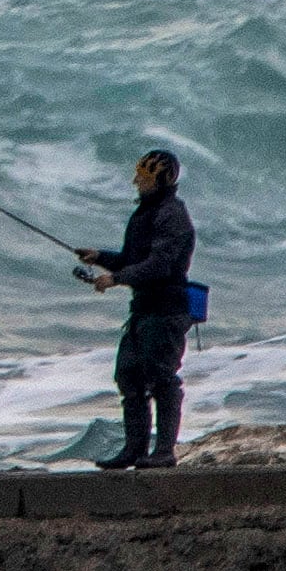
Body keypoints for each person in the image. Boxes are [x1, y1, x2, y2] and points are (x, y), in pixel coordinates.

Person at [77, 149, 197, 469]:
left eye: (142, 178)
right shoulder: (145, 212)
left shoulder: (172, 215)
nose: (135, 182)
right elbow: (134, 259)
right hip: (143, 310)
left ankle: (164, 452)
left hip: (167, 312)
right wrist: (99, 256)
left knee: (162, 379)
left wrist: (115, 278)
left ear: (162, 179)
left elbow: (159, 265)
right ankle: (135, 450)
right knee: (128, 377)